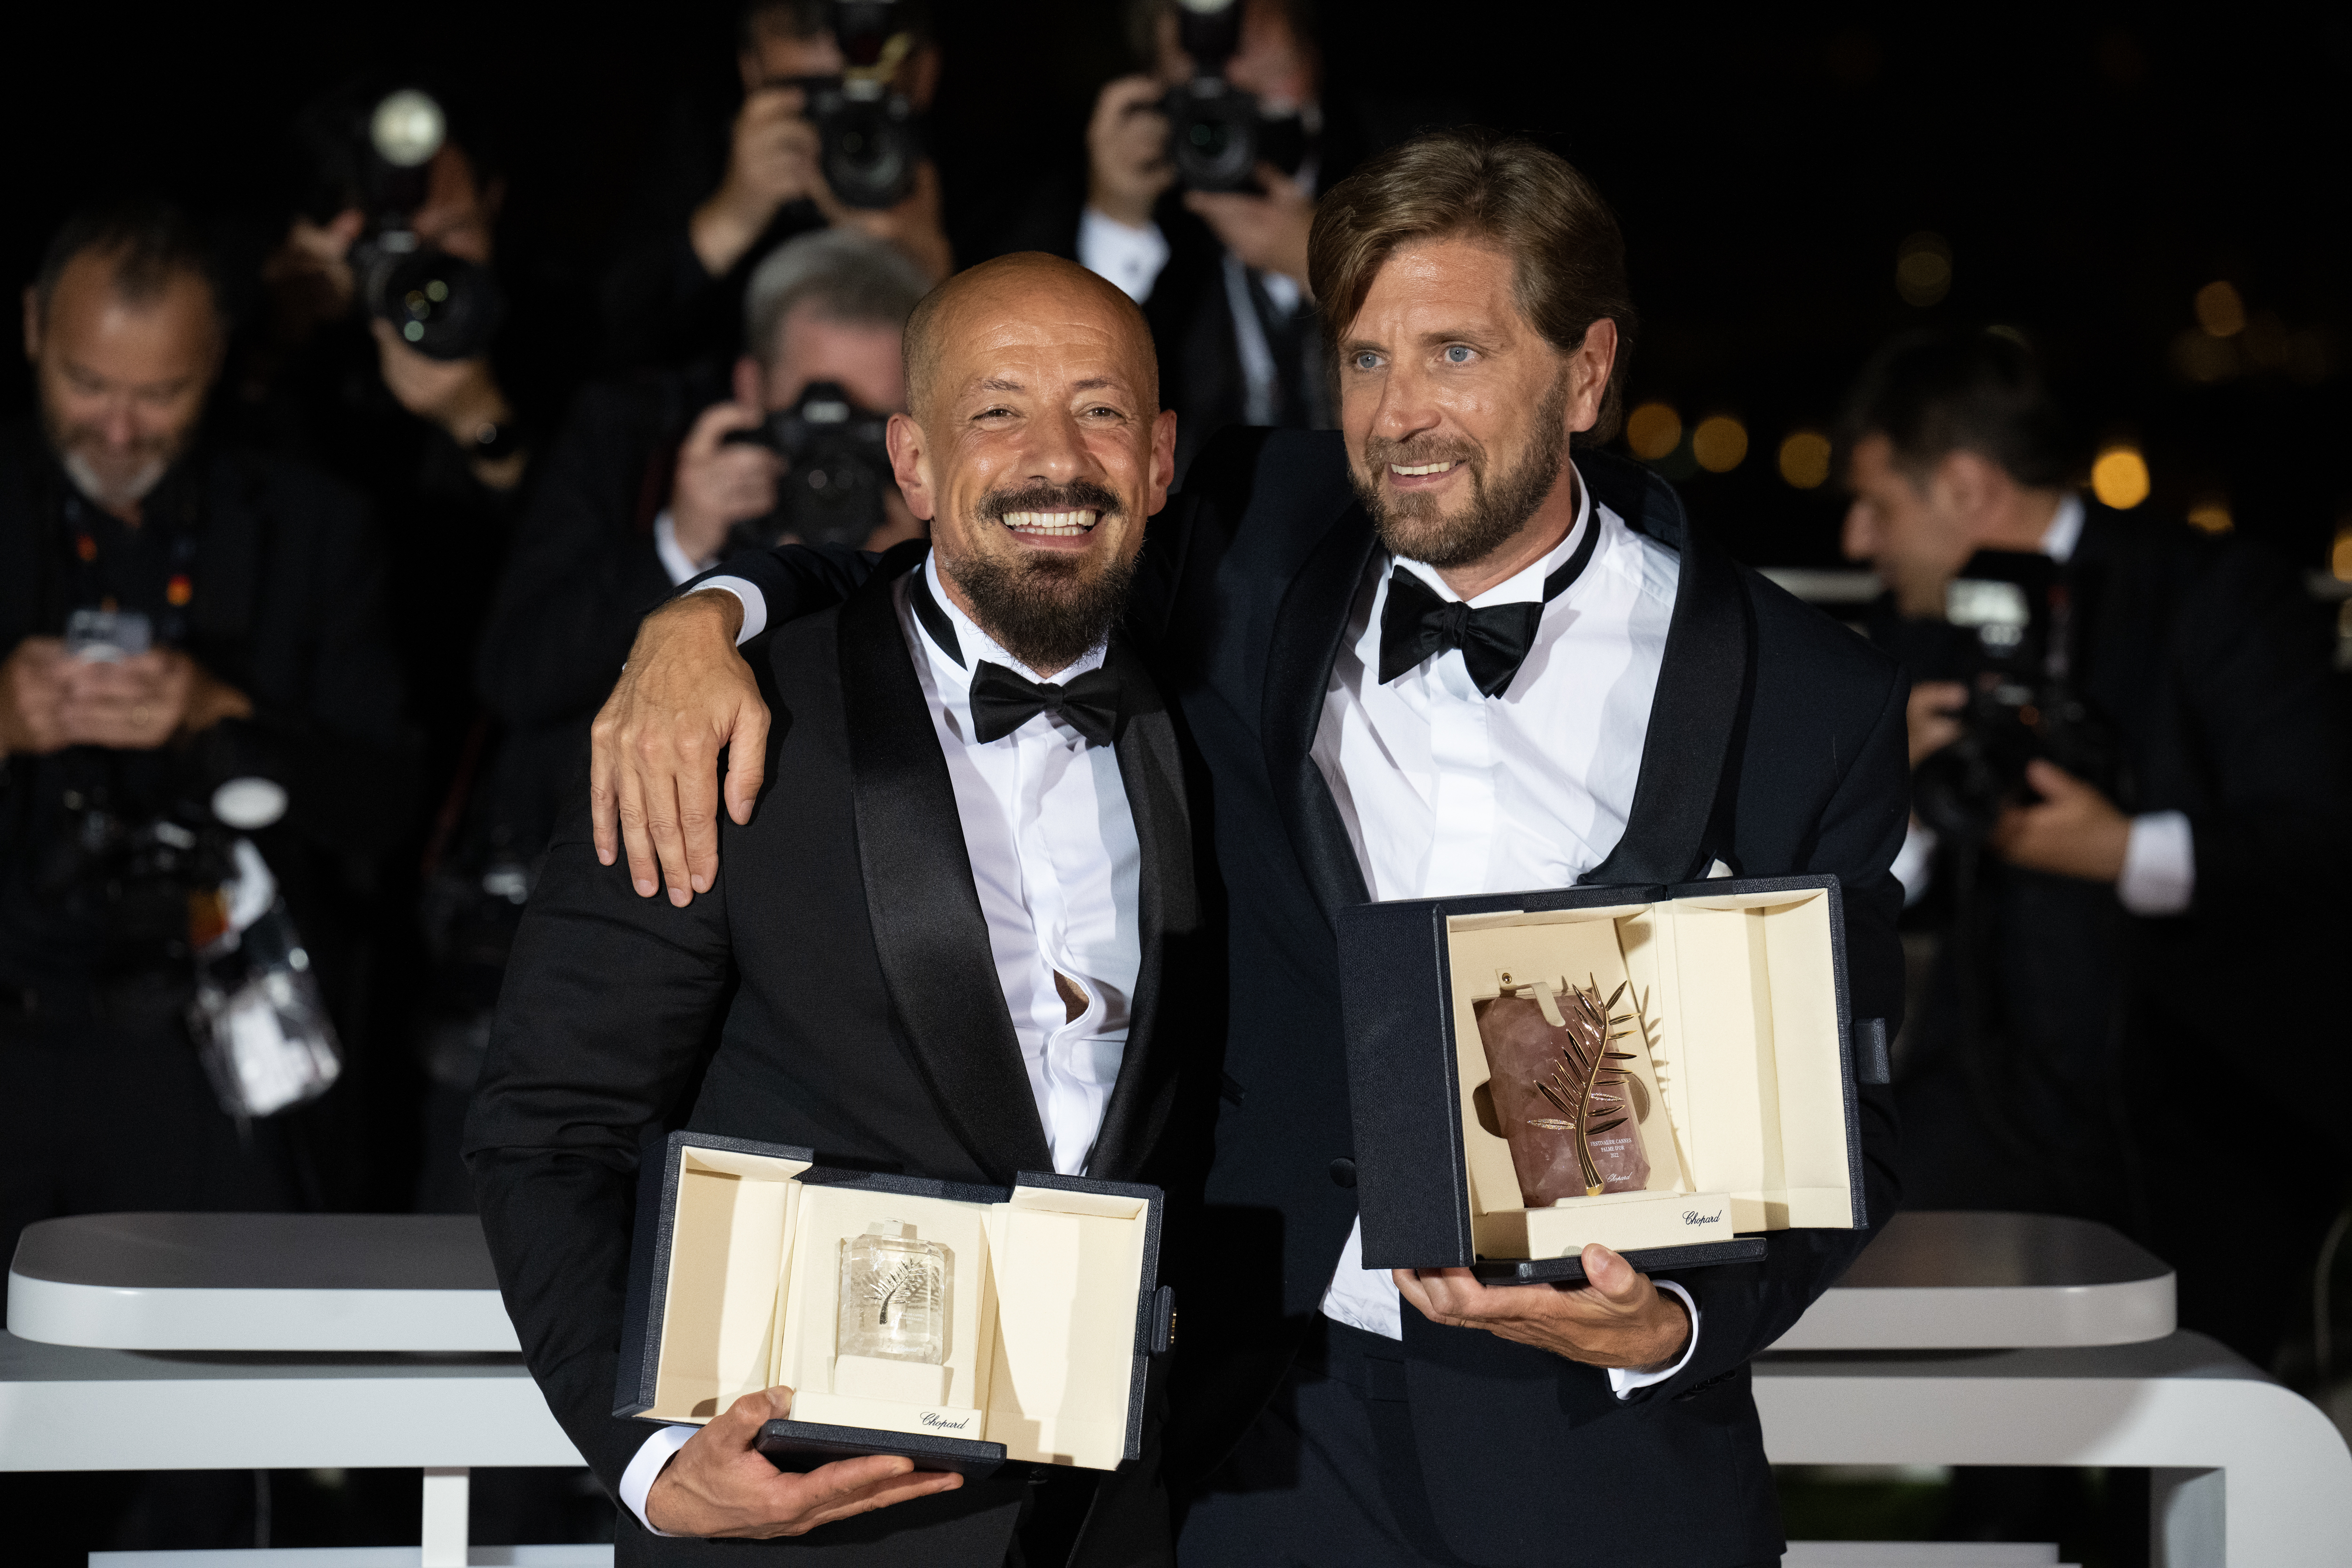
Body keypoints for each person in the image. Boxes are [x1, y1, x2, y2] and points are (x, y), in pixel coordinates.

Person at [578, 129, 1908, 1567]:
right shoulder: (1248, 531)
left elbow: (1854, 1111)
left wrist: (1678, 1322)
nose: (1399, 414)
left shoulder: (1805, 699)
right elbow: (985, 552)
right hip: (1247, 1441)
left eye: (1453, 353)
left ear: (1584, 374)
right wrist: (709, 608)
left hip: (1595, 1451)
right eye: (1364, 359)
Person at [464, 253, 1207, 1565]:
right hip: (791, 1519)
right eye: (998, 411)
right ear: (912, 463)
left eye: (1098, 410)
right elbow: (548, 1126)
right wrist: (647, 1463)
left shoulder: (1218, 725)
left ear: (1157, 460)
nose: (1054, 458)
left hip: (1125, 1518)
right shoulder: (724, 723)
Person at [0, 200, 408, 1556]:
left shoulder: (310, 521)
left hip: (206, 1069)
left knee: (212, 1472)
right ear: (30, 340)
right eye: (89, 384)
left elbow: (393, 804)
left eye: (160, 392)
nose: (120, 425)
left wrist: (223, 714)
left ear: (218, 367)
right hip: (13, 1039)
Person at [1839, 326, 2352, 1368]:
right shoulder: (1918, 635)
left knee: (2186, 1421)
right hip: (1987, 1106)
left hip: (2213, 1110)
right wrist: (1905, 801)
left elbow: (2322, 828)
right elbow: (1881, 889)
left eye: (1880, 505)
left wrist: (2124, 851)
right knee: (1971, 1423)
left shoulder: (2217, 595)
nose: (1856, 541)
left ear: (1968, 488)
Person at [1009, 0, 1341, 477]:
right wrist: (1117, 224)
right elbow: (1048, 397)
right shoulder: (1058, 202)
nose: (1237, 91)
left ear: (1310, 56)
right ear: (1154, 85)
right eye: (1206, 74)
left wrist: (1328, 262)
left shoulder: (1408, 162)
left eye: (1261, 60)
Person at [599, 0, 952, 373]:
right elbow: (585, 354)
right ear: (751, 71)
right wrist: (728, 221)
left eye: (868, 99)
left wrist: (934, 273)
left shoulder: (975, 183)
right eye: (810, 97)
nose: (839, 127)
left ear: (924, 73)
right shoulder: (701, 151)